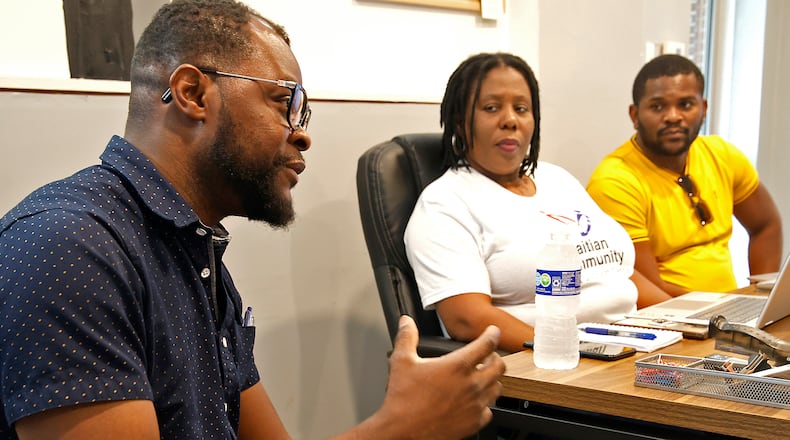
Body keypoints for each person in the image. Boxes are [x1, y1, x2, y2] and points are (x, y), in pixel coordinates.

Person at [0, 1, 506, 438]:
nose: (302, 134)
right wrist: (399, 428)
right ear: (193, 94)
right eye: (286, 102)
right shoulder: (69, 247)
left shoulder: (197, 257)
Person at [404, 52, 645, 354]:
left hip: (636, 343)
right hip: (554, 364)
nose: (510, 120)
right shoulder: (444, 205)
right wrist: (572, 352)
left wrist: (686, 318)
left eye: (521, 108)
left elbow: (615, 270)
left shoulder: (557, 179)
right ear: (459, 121)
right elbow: (466, 319)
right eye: (491, 108)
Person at [586, 54, 783, 307]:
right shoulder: (614, 181)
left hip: (730, 310)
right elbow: (645, 284)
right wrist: (727, 308)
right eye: (657, 107)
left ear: (704, 109)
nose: (673, 116)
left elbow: (766, 225)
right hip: (666, 317)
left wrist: (759, 297)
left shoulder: (722, 154)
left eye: (686, 104)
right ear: (634, 115)